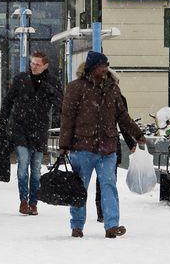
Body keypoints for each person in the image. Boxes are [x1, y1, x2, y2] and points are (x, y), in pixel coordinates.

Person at [59, 51, 146, 239]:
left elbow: (122, 116)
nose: (105, 69)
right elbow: (67, 118)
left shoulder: (112, 88)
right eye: (101, 66)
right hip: (82, 147)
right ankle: (77, 225)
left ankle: (111, 225)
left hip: (107, 147)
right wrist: (64, 145)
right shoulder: (75, 88)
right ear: (91, 67)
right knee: (79, 188)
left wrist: (137, 133)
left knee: (109, 185)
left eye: (106, 65)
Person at [0, 51, 63, 216]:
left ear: (45, 66)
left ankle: (33, 202)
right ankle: (23, 201)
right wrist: (4, 122)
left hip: (40, 130)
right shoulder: (20, 79)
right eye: (32, 63)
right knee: (23, 164)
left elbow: (60, 104)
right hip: (20, 127)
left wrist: (51, 91)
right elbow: (8, 101)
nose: (33, 67)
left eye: (37, 64)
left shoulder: (52, 82)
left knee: (35, 169)